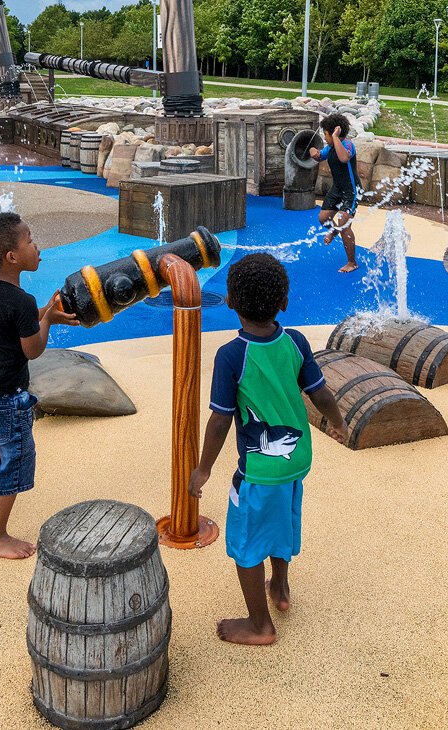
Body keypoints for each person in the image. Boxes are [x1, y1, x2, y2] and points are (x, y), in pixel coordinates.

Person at [189, 253, 348, 645]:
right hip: (296, 462)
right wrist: (340, 423)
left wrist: (203, 468)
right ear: (284, 302)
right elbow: (320, 393)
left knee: (246, 545)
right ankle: (279, 586)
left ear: (229, 302)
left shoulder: (232, 356)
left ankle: (260, 625)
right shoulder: (294, 341)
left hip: (258, 473)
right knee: (282, 521)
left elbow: (221, 419)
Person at [0, 211, 77, 559]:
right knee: (15, 455)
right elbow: (33, 348)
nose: (36, 245)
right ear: (12, 257)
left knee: (3, 439)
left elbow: (15, 324)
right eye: (30, 240)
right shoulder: (22, 302)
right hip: (6, 393)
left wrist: (44, 313)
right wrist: (46, 322)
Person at [315, 113, 360, 273]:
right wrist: (315, 154)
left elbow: (343, 159)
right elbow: (320, 156)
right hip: (337, 189)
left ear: (335, 133)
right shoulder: (330, 147)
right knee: (323, 218)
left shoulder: (347, 145)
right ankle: (334, 231)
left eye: (326, 134)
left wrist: (334, 136)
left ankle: (352, 262)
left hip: (351, 191)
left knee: (343, 223)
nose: (325, 137)